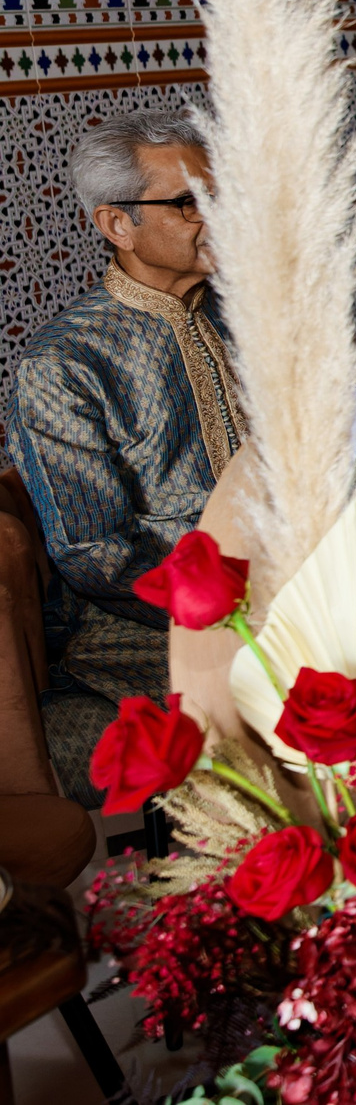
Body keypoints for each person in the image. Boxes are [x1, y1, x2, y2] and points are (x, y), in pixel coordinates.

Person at [5, 114, 238, 806]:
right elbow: (93, 555)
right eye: (189, 202)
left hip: (290, 585)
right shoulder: (64, 364)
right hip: (140, 631)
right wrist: (231, 609)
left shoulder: (249, 318)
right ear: (117, 225)